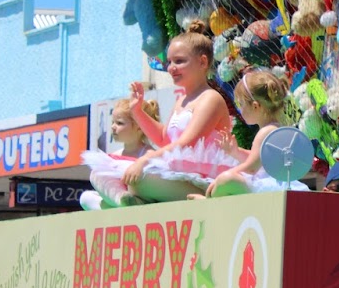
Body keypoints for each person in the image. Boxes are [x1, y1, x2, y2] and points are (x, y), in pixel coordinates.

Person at [122, 21, 241, 201]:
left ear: (202, 62)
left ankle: (205, 198)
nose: (171, 68)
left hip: (202, 179)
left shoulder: (211, 98)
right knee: (101, 176)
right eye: (169, 62)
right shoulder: (181, 100)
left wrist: (145, 159)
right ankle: (128, 201)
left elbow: (187, 142)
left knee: (139, 180)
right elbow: (164, 139)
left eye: (179, 61)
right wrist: (137, 111)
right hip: (178, 174)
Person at [207, 69, 292, 195]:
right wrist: (235, 152)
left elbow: (251, 168)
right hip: (273, 184)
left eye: (241, 104)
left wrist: (220, 179)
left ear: (255, 106)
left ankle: (209, 203)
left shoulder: (266, 132)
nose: (239, 109)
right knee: (227, 178)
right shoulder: (274, 128)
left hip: (268, 188)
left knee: (226, 179)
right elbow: (259, 160)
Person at [80, 94, 161, 209]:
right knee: (86, 197)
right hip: (120, 202)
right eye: (113, 122)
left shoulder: (148, 154)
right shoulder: (114, 155)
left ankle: (127, 203)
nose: (113, 127)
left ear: (139, 126)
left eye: (119, 123)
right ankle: (123, 202)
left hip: (145, 201)